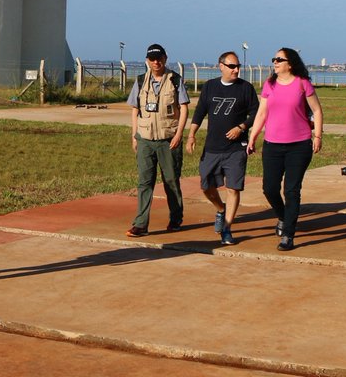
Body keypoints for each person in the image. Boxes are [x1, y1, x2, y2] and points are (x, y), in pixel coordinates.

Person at [247, 47, 324, 251]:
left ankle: (288, 235)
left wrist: (318, 136)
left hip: (299, 145)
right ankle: (283, 217)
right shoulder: (269, 84)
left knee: (291, 190)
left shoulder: (302, 83)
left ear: (290, 63)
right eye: (274, 59)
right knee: (269, 188)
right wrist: (253, 137)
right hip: (272, 145)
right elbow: (262, 114)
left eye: (279, 59)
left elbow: (316, 110)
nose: (275, 62)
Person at [185, 51, 259, 245]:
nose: (236, 70)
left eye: (238, 66)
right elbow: (200, 112)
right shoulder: (210, 87)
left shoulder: (246, 88)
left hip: (236, 148)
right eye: (232, 66)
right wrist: (191, 135)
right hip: (212, 147)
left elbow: (256, 114)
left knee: (233, 188)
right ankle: (220, 209)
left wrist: (241, 127)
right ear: (221, 66)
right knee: (206, 185)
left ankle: (227, 228)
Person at [126, 43, 189, 237]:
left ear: (165, 58)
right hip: (145, 139)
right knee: (145, 182)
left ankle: (176, 218)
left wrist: (179, 134)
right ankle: (141, 224)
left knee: (170, 180)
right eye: (152, 59)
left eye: (159, 58)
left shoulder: (175, 80)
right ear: (147, 60)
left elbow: (184, 108)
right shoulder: (140, 81)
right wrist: (135, 135)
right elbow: (135, 109)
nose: (156, 62)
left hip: (168, 138)